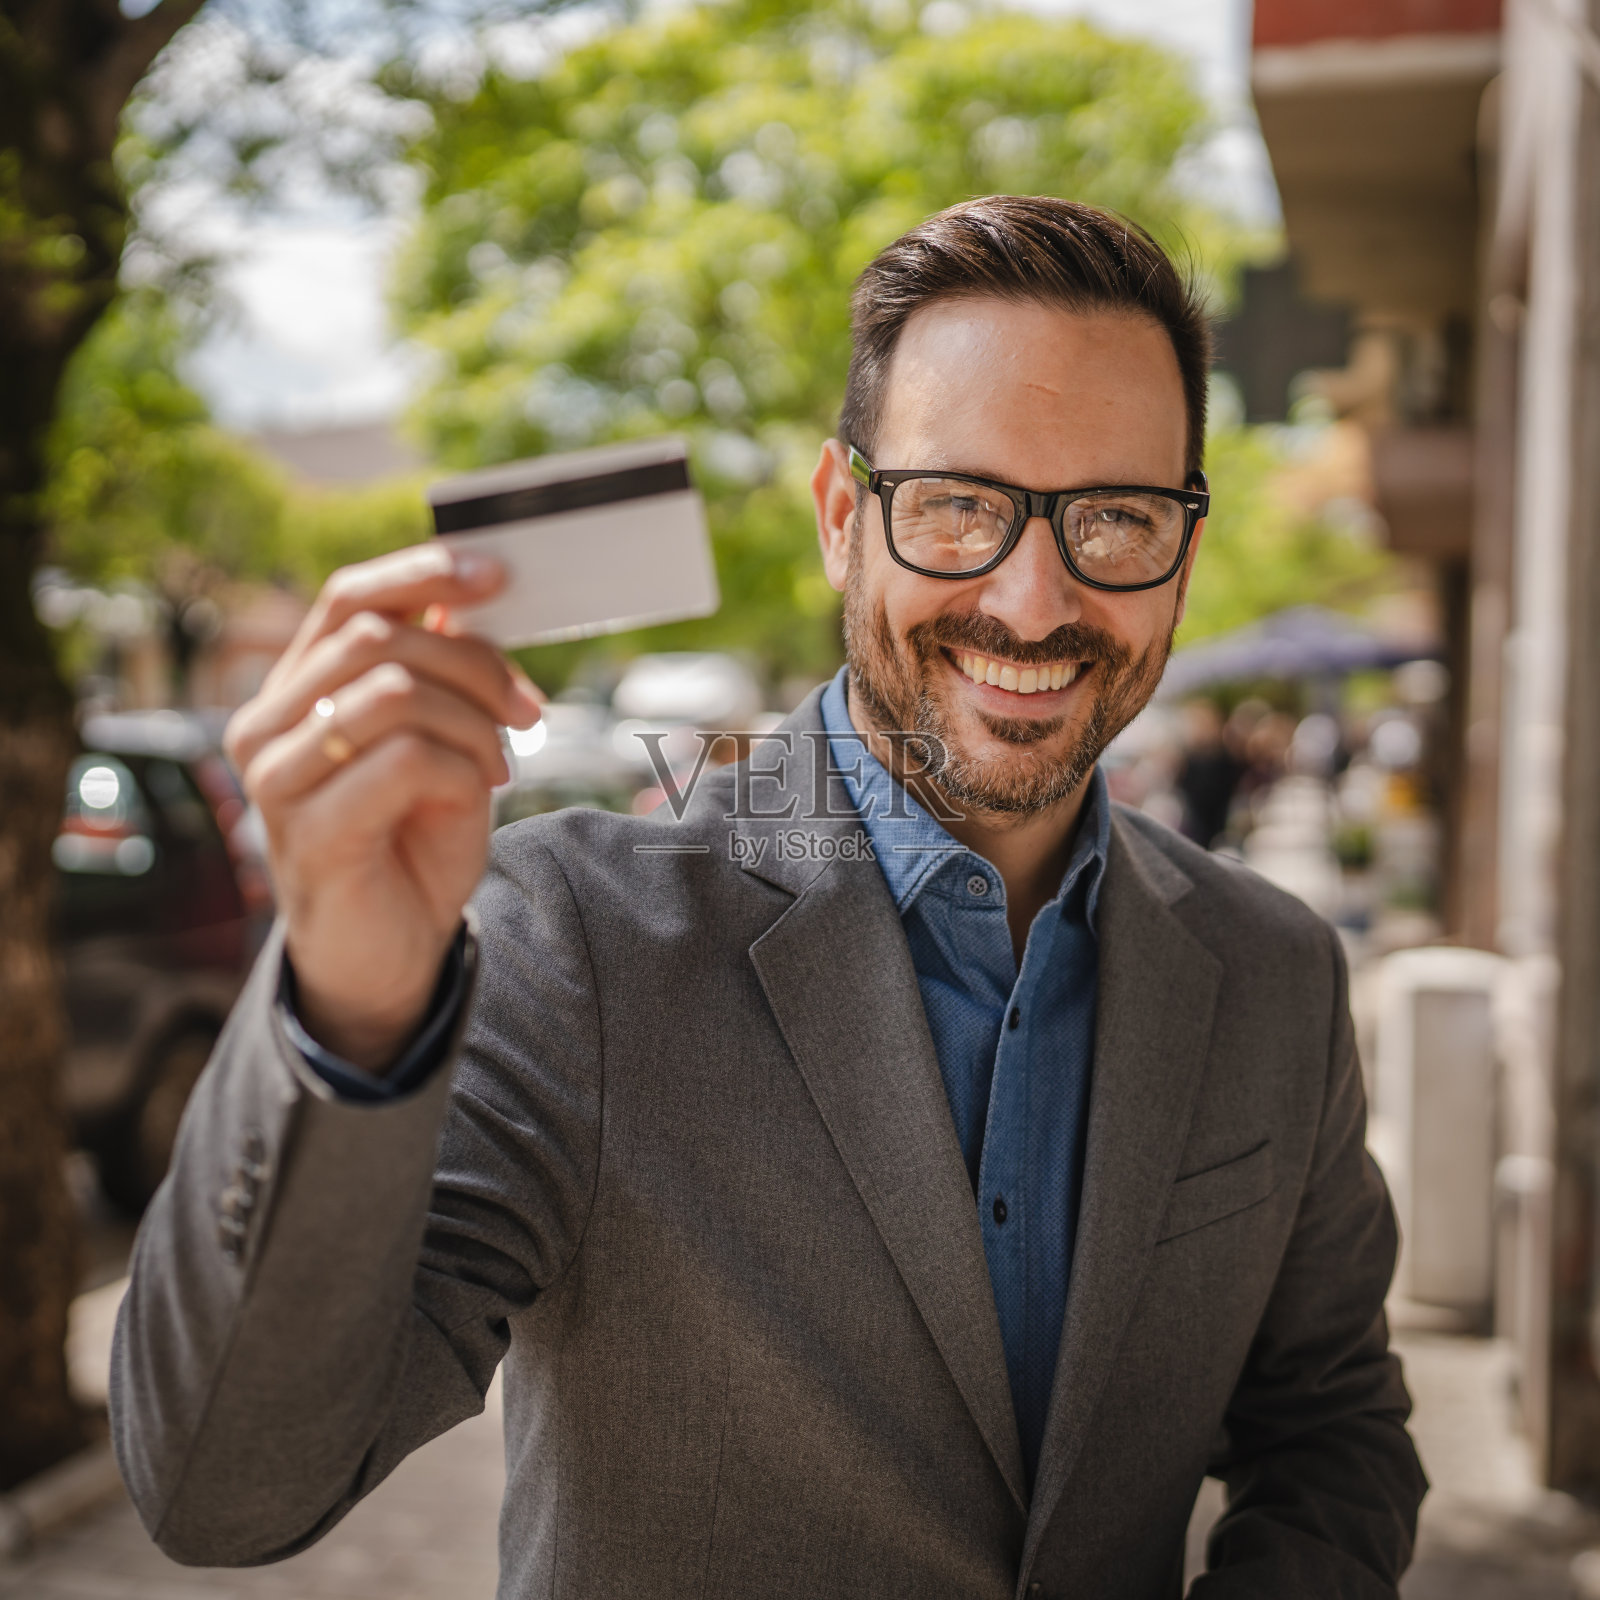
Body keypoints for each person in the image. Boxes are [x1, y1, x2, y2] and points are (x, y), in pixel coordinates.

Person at [111, 197, 1425, 1599]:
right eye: (960, 508)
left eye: (1116, 518)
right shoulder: (576, 940)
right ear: (843, 518)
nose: (1036, 602)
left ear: (1182, 554)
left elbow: (1334, 1425)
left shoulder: (1272, 968)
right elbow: (225, 1490)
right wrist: (350, 1005)